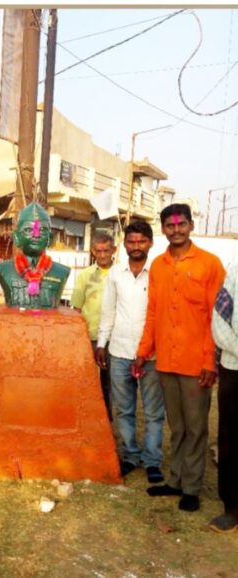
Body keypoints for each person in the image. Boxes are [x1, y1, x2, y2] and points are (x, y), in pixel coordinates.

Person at [134, 203, 225, 512]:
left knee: (196, 428)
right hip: (166, 361)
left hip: (196, 363)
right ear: (163, 229)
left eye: (181, 224)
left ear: (190, 226)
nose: (176, 230)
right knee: (177, 426)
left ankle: (192, 488)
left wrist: (209, 361)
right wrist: (143, 351)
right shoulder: (158, 266)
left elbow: (217, 318)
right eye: (170, 225)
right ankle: (175, 480)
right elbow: (153, 313)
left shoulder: (210, 264)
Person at [96, 221, 165, 483]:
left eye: (141, 241)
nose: (136, 246)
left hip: (151, 355)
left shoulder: (159, 273)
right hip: (119, 351)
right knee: (124, 410)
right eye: (131, 241)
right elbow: (108, 311)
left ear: (150, 243)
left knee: (153, 412)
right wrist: (102, 344)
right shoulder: (116, 273)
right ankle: (130, 456)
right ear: (124, 244)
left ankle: (152, 460)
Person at [72, 232, 116, 421]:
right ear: (92, 251)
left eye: (106, 250)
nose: (103, 255)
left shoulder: (121, 273)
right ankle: (85, 419)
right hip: (89, 335)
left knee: (109, 382)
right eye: (98, 251)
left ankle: (106, 420)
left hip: (114, 337)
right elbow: (76, 307)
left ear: (114, 250)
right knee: (86, 379)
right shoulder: (85, 276)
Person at [0, 202, 69, 309]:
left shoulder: (61, 272)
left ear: (50, 239)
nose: (36, 235)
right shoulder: (4, 269)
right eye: (29, 230)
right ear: (16, 238)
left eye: (42, 230)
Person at [209, 261, 238, 532]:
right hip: (234, 366)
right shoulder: (235, 271)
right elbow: (219, 320)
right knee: (231, 438)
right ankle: (232, 508)